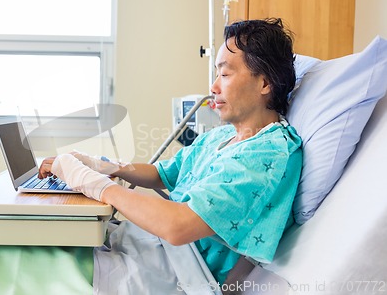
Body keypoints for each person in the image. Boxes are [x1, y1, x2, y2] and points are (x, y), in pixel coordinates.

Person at [39, 18, 303, 284]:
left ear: (265, 84)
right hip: (143, 246)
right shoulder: (223, 136)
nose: (213, 87)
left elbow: (177, 226)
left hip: (169, 273)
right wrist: (106, 166)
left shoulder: (268, 154)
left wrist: (94, 184)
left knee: (25, 262)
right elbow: (163, 173)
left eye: (224, 74)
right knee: (37, 244)